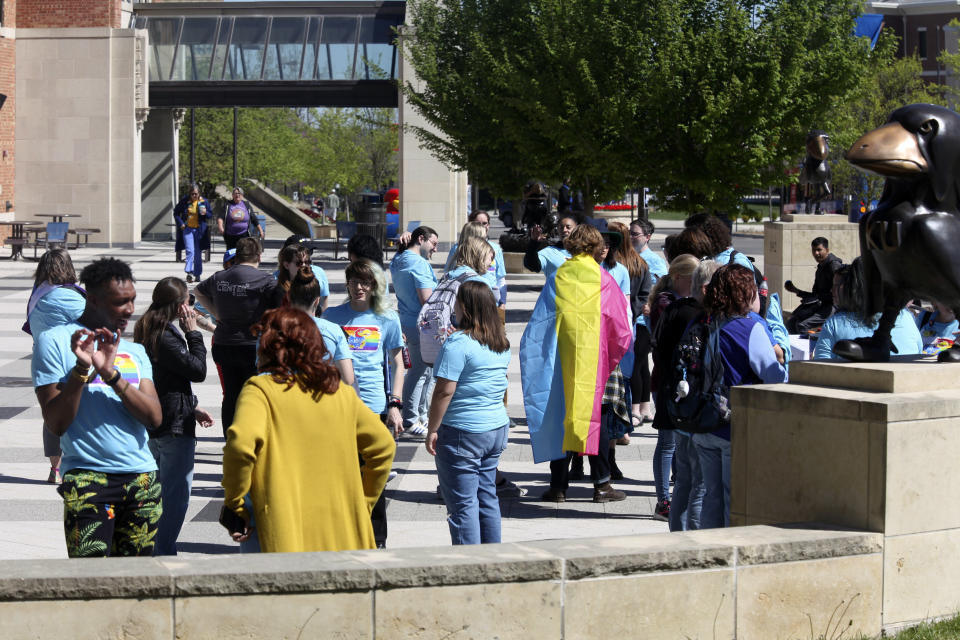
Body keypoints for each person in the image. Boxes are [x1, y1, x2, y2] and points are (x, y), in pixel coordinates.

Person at [221, 307, 396, 552]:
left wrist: (234, 503)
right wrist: (363, 502)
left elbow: (240, 445)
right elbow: (384, 447)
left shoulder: (261, 390)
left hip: (281, 528)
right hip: (341, 530)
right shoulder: (341, 393)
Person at [32, 258, 163, 557]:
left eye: (132, 300)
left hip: (142, 479)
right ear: (91, 299)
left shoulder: (134, 351)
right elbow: (56, 422)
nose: (130, 310)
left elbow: (154, 417)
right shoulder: (54, 342)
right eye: (120, 302)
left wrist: (111, 374)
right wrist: (82, 368)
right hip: (88, 480)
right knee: (91, 586)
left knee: (139, 587)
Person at [521, 225, 632, 502]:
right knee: (597, 421)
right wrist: (611, 358)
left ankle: (558, 486)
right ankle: (601, 486)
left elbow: (540, 326)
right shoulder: (604, 279)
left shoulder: (558, 277)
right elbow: (622, 328)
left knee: (562, 417)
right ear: (596, 247)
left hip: (560, 363)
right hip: (598, 362)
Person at [697, 264, 787, 528]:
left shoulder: (704, 321)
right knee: (733, 501)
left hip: (703, 422)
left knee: (710, 497)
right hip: (734, 426)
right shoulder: (750, 329)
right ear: (746, 293)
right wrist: (780, 359)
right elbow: (775, 378)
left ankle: (706, 555)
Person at [325, 259, 405, 548]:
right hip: (339, 407)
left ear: (374, 286)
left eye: (366, 282)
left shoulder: (386, 318)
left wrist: (395, 404)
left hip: (374, 407)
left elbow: (398, 362)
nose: (359, 288)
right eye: (355, 282)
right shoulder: (332, 316)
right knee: (342, 474)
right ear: (347, 283)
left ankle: (376, 536)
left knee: (375, 475)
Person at [425, 281, 511, 544]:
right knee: (487, 498)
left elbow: (443, 392)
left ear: (465, 306)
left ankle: (469, 569)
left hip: (464, 431)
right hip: (495, 428)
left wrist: (432, 429)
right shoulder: (500, 343)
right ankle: (492, 560)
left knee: (463, 506)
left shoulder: (458, 343)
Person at [133, 277, 214, 556]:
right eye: (189, 301)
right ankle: (162, 553)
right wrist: (193, 333)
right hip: (172, 427)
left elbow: (166, 379)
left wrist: (192, 406)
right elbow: (197, 370)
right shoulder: (164, 334)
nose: (191, 306)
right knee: (175, 497)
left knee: (155, 494)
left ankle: (153, 549)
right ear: (181, 305)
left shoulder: (148, 326)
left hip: (160, 418)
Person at [650, 256, 715, 530]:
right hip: (690, 400)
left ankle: (671, 515)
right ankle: (688, 534)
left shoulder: (672, 309)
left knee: (685, 474)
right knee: (694, 479)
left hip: (670, 391)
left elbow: (659, 348)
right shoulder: (698, 315)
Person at [194, 237, 279, 436]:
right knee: (255, 395)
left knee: (231, 395)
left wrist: (216, 313)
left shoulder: (219, 277)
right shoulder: (265, 280)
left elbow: (198, 291)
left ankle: (231, 438)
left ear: (237, 255)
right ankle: (252, 437)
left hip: (224, 344)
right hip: (252, 346)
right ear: (259, 255)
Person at [25, 249, 86, 484]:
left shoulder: (38, 293)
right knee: (77, 412)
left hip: (43, 359)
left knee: (51, 412)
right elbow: (95, 317)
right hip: (67, 362)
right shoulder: (65, 296)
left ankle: (55, 469)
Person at [813, 259, 923, 360]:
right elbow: (918, 350)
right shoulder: (907, 317)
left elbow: (820, 367)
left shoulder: (835, 324)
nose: (832, 290)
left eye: (837, 285)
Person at [389, 225, 439, 437]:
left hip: (407, 321)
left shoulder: (398, 261)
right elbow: (427, 299)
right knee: (420, 372)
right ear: (421, 239)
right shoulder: (419, 264)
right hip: (422, 324)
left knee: (424, 372)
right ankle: (411, 417)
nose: (435, 249)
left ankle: (420, 414)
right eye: (433, 243)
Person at [287, 266, 355, 386]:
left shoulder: (272, 329)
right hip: (322, 398)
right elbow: (348, 379)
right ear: (317, 301)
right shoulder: (333, 330)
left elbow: (262, 372)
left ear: (289, 297)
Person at [445, 212, 508, 309]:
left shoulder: (495, 249)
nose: (482, 227)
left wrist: (502, 302)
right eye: (478, 223)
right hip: (465, 305)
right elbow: (448, 272)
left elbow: (500, 279)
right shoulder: (458, 249)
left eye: (484, 223)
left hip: (490, 304)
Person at [784, 237, 843, 333]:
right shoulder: (820, 267)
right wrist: (796, 290)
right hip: (820, 305)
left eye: (819, 250)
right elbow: (815, 295)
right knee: (791, 323)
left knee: (802, 326)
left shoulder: (834, 265)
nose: (816, 253)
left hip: (833, 307)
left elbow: (840, 292)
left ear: (827, 250)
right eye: (814, 250)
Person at [275, 241, 330, 312]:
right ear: (286, 265)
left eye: (307, 262)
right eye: (299, 263)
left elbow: (324, 302)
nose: (304, 266)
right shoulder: (277, 288)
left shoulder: (314, 283)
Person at [173, 183, 210, 283]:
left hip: (199, 230)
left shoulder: (203, 201)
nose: (194, 196)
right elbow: (176, 212)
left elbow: (210, 215)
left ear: (199, 193)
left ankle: (197, 274)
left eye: (196, 194)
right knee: (190, 251)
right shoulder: (185, 201)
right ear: (190, 194)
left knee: (198, 254)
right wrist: (181, 223)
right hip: (187, 229)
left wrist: (205, 212)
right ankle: (189, 272)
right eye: (192, 194)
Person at [524, 212, 578, 279]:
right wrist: (533, 243)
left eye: (568, 227)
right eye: (561, 227)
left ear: (576, 229)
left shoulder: (585, 252)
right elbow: (531, 265)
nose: (564, 230)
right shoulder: (549, 252)